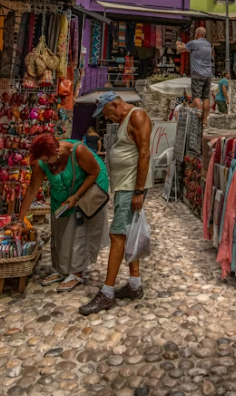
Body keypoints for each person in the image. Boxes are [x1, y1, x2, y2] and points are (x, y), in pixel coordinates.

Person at [79, 92, 153, 315]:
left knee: (117, 235)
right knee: (128, 232)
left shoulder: (137, 116)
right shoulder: (125, 120)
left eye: (105, 113)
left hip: (131, 186)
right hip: (125, 185)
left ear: (114, 104)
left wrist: (138, 191)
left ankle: (107, 293)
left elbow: (144, 153)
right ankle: (134, 285)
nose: (105, 118)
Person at [14, 133, 109, 293]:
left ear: (56, 152)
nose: (44, 163)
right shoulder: (42, 163)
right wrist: (19, 220)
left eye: (46, 159)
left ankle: (76, 272)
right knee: (59, 230)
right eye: (42, 160)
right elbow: (31, 190)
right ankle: (62, 269)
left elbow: (94, 172)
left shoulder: (78, 151)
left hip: (87, 189)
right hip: (63, 194)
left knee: (78, 232)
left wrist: (77, 196)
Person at [176, 26, 213, 126]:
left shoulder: (194, 43)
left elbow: (180, 49)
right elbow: (191, 50)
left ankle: (199, 110)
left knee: (196, 96)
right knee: (206, 97)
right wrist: (185, 46)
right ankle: (205, 121)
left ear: (197, 34)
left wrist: (178, 44)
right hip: (208, 74)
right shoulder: (208, 44)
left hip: (198, 73)